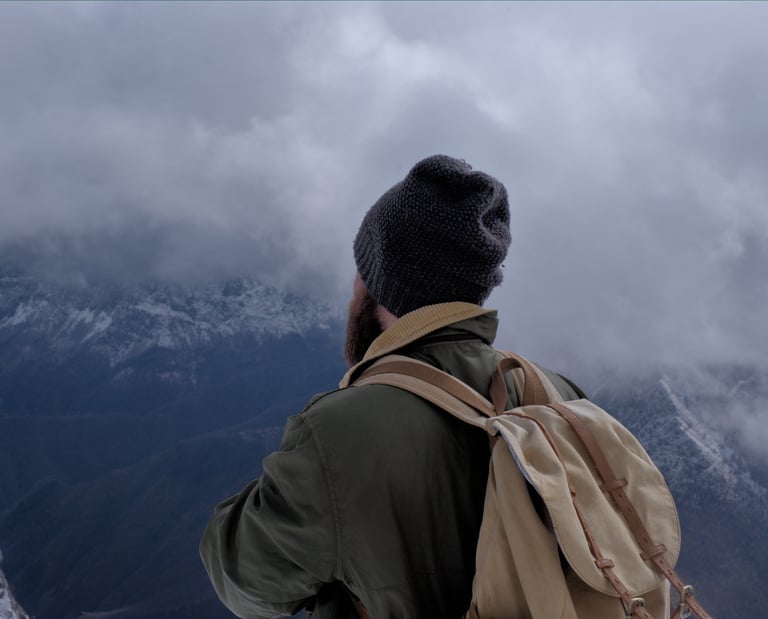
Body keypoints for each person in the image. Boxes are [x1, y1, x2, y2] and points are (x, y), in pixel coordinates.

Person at [200, 155, 583, 619]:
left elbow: (244, 583)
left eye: (361, 268)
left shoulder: (336, 433)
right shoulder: (561, 396)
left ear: (377, 281)